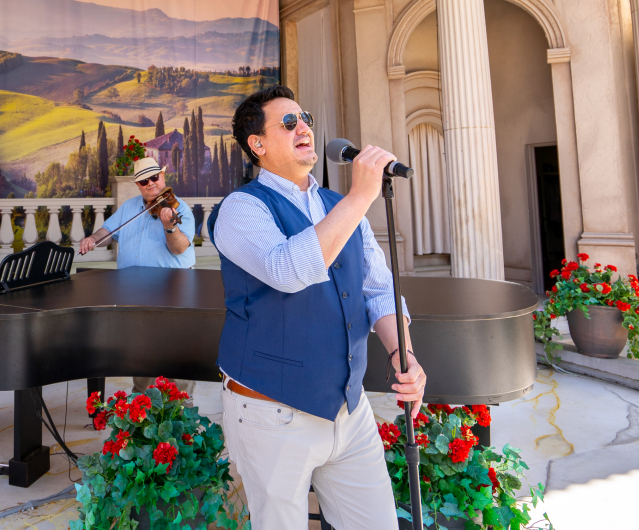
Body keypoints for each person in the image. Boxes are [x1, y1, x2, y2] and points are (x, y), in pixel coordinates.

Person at [208, 85, 427, 530]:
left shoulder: (339, 208)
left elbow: (378, 290)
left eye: (304, 116)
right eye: (288, 122)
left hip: (349, 407)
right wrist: (360, 196)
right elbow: (288, 269)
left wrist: (403, 353)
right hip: (271, 410)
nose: (304, 126)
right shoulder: (240, 208)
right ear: (259, 145)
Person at [79, 157, 197, 396]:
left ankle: (183, 407)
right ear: (138, 185)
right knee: (142, 349)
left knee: (178, 349)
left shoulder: (178, 208)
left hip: (173, 289)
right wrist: (94, 238)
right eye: (145, 181)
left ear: (163, 177)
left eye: (155, 177)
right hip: (135, 290)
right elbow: (108, 231)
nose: (151, 184)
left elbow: (180, 248)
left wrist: (170, 227)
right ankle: (141, 403)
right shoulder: (130, 207)